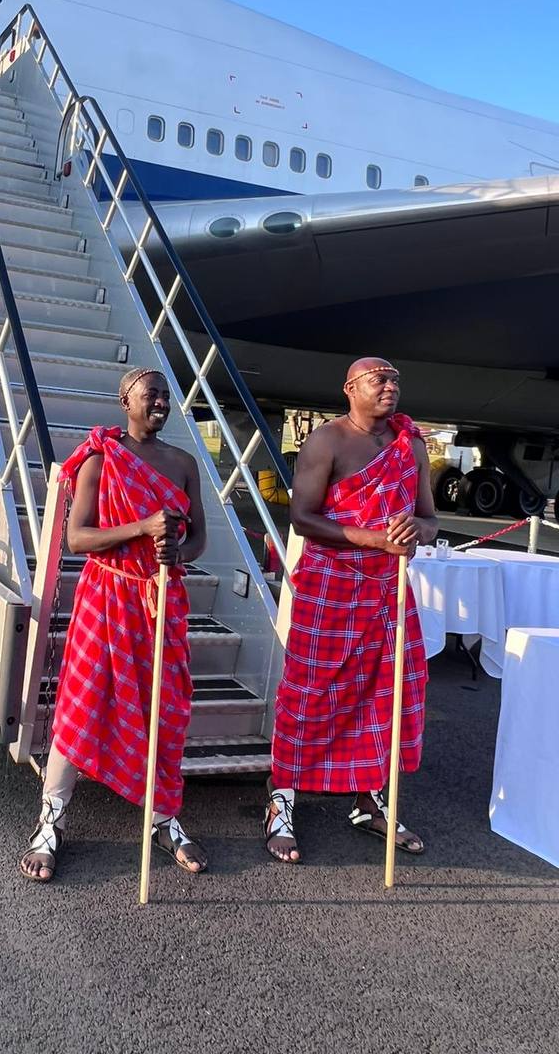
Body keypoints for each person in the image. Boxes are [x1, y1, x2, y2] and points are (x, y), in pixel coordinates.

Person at [19, 367, 209, 882]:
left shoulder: (184, 463)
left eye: (167, 397)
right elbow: (78, 538)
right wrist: (143, 528)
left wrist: (176, 552)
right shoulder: (101, 457)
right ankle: (50, 821)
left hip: (163, 597)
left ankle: (163, 817)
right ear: (125, 400)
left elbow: (198, 541)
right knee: (83, 706)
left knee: (165, 709)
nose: (162, 404)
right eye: (152, 395)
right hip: (106, 596)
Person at [265, 357, 438, 864]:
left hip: (389, 591)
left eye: (395, 379)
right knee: (311, 692)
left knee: (389, 692)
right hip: (331, 587)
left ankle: (371, 800)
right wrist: (370, 538)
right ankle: (281, 800)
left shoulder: (412, 445)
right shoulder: (328, 441)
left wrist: (413, 532)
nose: (390, 386)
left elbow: (430, 521)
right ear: (350, 388)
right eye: (378, 379)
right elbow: (301, 517)